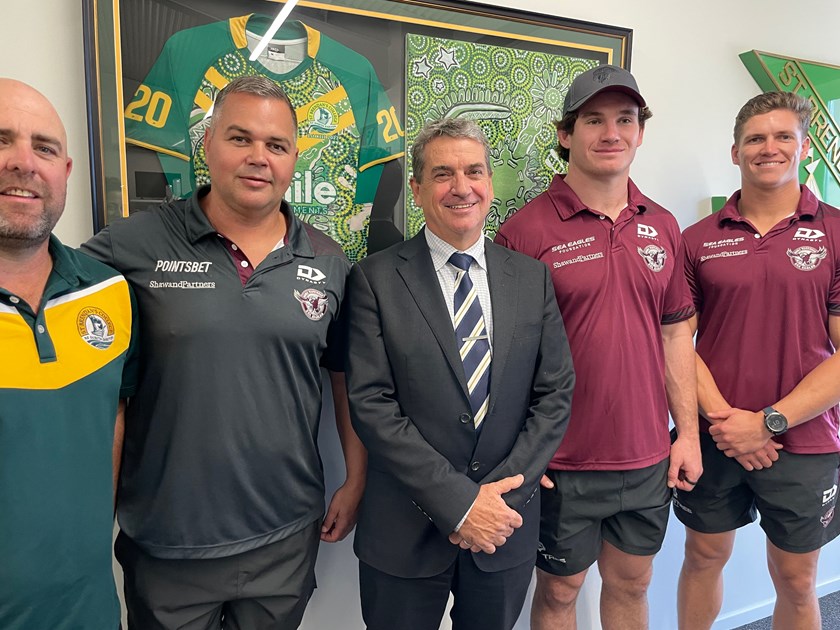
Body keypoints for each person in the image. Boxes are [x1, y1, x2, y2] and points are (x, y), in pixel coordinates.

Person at [82, 75, 366, 629]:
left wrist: (356, 477)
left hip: (285, 537)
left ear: (293, 159)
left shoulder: (329, 261)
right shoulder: (132, 246)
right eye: (240, 138)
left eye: (276, 145)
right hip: (169, 543)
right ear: (207, 144)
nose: (259, 158)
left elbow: (344, 377)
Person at [344, 117, 575, 630]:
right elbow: (371, 404)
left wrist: (497, 505)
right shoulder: (374, 279)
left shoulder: (531, 278)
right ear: (418, 188)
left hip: (505, 527)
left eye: (474, 171)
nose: (461, 187)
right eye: (443, 174)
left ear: (490, 184)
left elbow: (555, 394)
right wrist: (460, 504)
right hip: (404, 529)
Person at [494, 65, 703, 629]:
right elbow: (501, 352)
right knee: (561, 592)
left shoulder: (661, 225)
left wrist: (686, 434)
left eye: (625, 119)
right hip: (562, 461)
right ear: (566, 134)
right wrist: (522, 449)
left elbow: (675, 332)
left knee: (633, 584)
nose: (611, 132)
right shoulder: (524, 231)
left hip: (647, 457)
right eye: (593, 119)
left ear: (640, 132)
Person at [675, 91, 840, 630]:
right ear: (735, 151)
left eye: (782, 136)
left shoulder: (836, 232)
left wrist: (768, 422)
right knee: (702, 558)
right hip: (716, 435)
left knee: (795, 579)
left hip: (806, 439)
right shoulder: (695, 240)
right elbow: (675, 341)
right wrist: (728, 423)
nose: (768, 148)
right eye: (755, 139)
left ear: (804, 147)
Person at [0, 78, 136, 629]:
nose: (23, 163)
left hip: (88, 610)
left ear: (66, 173)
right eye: (1, 139)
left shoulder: (109, 293)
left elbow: (111, 418)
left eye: (45, 148)